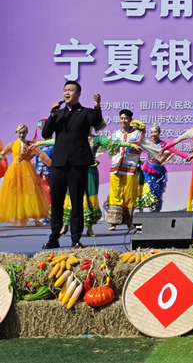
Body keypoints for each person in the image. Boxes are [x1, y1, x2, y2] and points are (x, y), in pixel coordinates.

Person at [41, 80, 103, 249]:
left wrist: (97, 106)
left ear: (78, 94)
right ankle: (54, 237)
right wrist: (52, 116)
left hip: (77, 163)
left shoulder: (86, 112)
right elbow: (46, 133)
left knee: (76, 202)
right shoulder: (58, 114)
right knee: (56, 202)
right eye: (65, 90)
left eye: (71, 90)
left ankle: (76, 238)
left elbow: (96, 121)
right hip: (59, 163)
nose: (67, 93)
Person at [105, 111, 156, 230]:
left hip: (129, 168)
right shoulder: (115, 135)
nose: (123, 121)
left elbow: (150, 146)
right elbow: (103, 146)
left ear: (130, 119)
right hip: (115, 168)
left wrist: (164, 153)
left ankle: (129, 222)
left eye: (126, 118)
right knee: (115, 193)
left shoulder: (137, 135)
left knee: (129, 195)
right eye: (121, 118)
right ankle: (113, 222)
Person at [0, 124, 51, 227]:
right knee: (15, 192)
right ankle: (19, 215)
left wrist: (50, 162)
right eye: (20, 133)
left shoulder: (30, 144)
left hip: (28, 170)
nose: (21, 135)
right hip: (14, 171)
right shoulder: (12, 144)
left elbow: (40, 153)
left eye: (23, 133)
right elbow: (3, 153)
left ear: (27, 133)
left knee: (32, 192)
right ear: (16, 133)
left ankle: (37, 217)